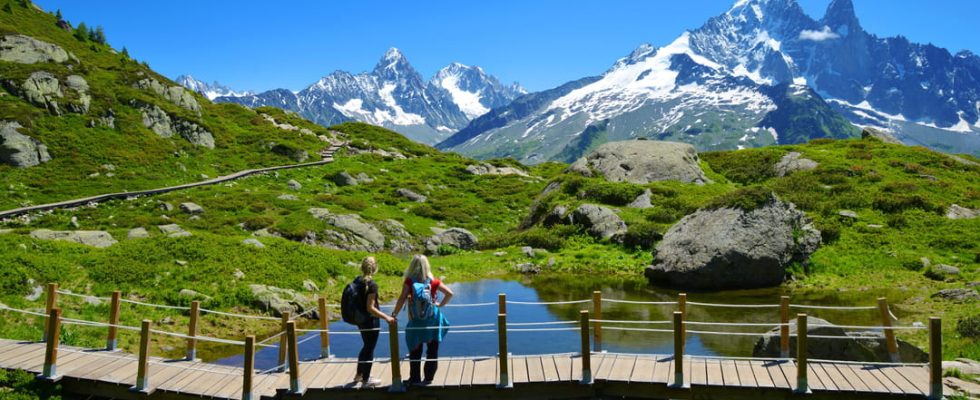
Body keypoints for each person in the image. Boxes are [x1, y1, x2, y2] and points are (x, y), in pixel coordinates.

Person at [392, 254, 453, 386]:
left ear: (412, 266)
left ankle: (414, 378)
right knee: (432, 350)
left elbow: (402, 298)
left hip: (417, 321)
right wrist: (440, 305)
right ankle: (429, 378)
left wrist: (394, 313)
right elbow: (450, 293)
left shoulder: (410, 281)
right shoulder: (434, 281)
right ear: (427, 266)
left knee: (415, 349)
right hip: (433, 319)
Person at [353, 256, 394, 388]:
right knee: (369, 348)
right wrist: (387, 318)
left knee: (365, 346)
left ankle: (358, 375)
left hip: (360, 319)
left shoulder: (357, 281)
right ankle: (366, 379)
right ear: (375, 268)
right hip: (370, 321)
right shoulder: (372, 285)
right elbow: (370, 308)